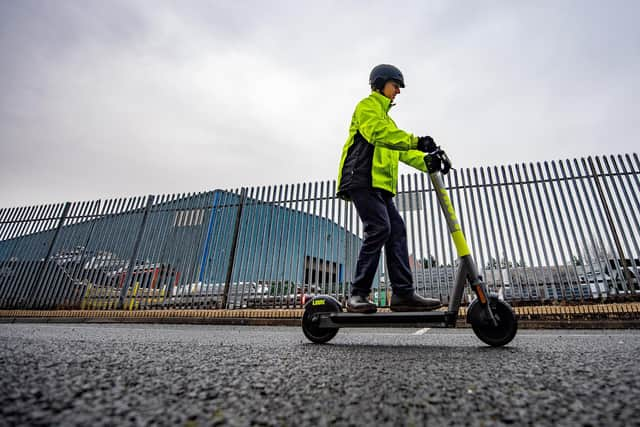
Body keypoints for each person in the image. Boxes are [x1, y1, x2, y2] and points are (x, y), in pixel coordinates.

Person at [336, 64, 451, 314]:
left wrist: (428, 160)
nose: (398, 90)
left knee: (396, 230)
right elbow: (378, 134)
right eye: (395, 85)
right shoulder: (367, 108)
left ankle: (403, 294)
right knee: (379, 228)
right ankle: (357, 294)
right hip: (361, 178)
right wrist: (415, 140)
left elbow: (402, 151)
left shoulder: (388, 120)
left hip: (380, 186)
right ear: (380, 83)